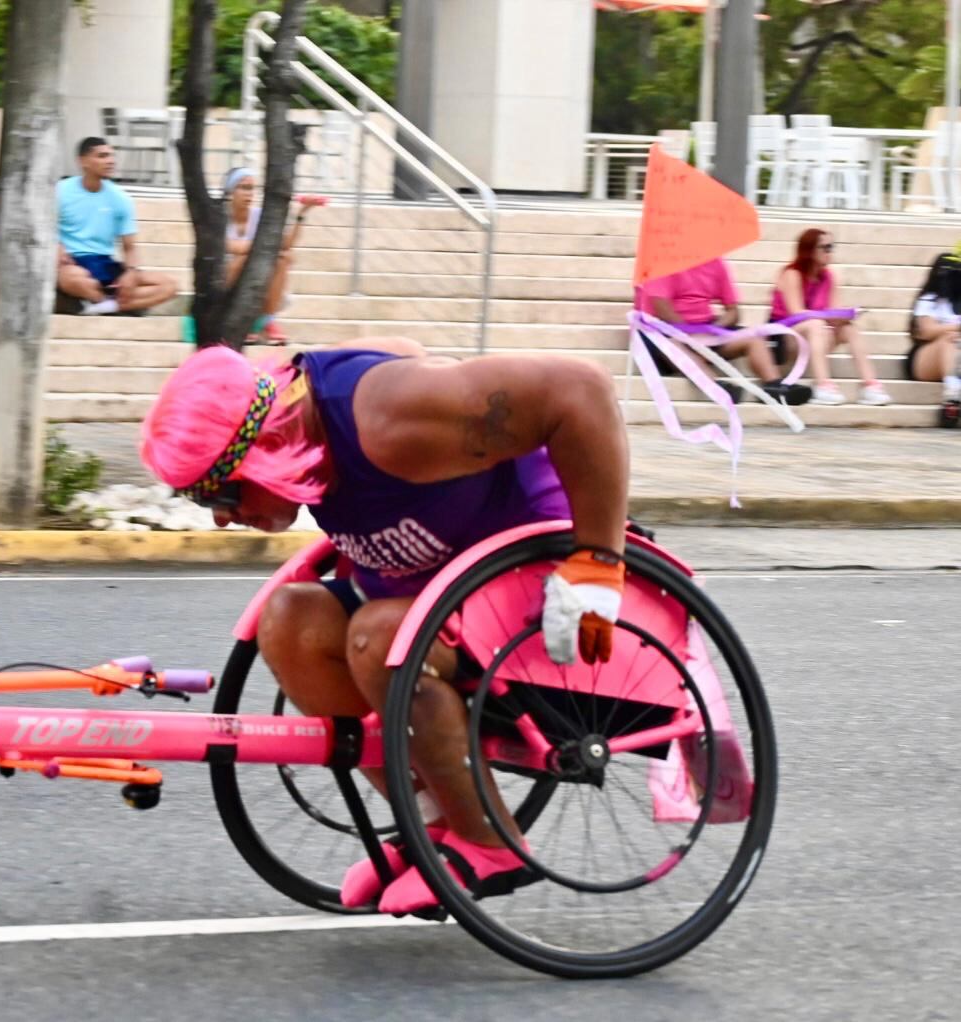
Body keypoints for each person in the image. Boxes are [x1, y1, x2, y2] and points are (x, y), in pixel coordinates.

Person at [140, 340, 629, 914]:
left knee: (378, 640)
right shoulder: (315, 424)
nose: (222, 515)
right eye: (200, 500)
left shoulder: (390, 419)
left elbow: (582, 388)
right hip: (435, 593)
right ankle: (435, 825)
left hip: (532, 588)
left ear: (264, 447)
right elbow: (406, 351)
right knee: (289, 621)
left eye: (218, 492)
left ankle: (491, 843)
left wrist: (598, 560)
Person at [640, 257, 812, 406]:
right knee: (672, 344)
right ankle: (715, 386)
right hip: (667, 331)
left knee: (754, 338)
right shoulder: (663, 264)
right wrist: (689, 334)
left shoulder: (716, 263)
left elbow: (733, 312)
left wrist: (716, 329)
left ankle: (774, 386)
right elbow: (661, 307)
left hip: (706, 330)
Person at [56, 137, 178, 316]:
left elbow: (129, 246)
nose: (111, 161)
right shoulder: (61, 191)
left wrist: (130, 272)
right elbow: (43, 228)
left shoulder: (120, 198)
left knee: (169, 286)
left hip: (106, 264)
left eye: (112, 156)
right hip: (75, 262)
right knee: (69, 278)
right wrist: (56, 247)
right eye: (103, 156)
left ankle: (103, 305)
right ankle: (112, 302)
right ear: (83, 162)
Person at [771, 229, 891, 406]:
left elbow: (833, 310)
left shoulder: (829, 277)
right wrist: (825, 317)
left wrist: (844, 316)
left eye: (831, 247)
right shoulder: (792, 274)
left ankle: (869, 385)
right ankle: (822, 386)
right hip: (786, 337)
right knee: (815, 325)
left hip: (815, 335)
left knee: (849, 329)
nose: (830, 252)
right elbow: (796, 314)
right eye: (825, 248)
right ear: (810, 250)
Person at [223, 168, 322, 345]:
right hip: (226, 281)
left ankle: (265, 321)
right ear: (230, 192)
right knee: (245, 259)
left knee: (283, 258)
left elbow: (285, 244)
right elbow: (234, 248)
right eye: (244, 187)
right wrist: (269, 247)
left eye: (252, 188)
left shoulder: (259, 215)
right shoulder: (219, 216)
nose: (249, 193)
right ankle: (250, 321)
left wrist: (301, 214)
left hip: (257, 276)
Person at [908, 253, 961, 428]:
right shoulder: (929, 299)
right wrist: (956, 329)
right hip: (925, 358)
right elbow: (926, 331)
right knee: (950, 340)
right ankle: (952, 396)